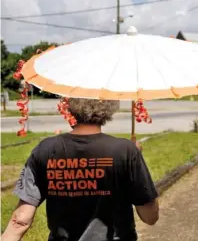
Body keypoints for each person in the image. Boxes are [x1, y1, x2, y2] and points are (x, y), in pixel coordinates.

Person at [1, 98, 159, 241]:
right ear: (109, 108)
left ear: (69, 106)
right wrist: (134, 163)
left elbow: (20, 220)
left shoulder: (45, 150)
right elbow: (150, 217)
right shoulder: (125, 150)